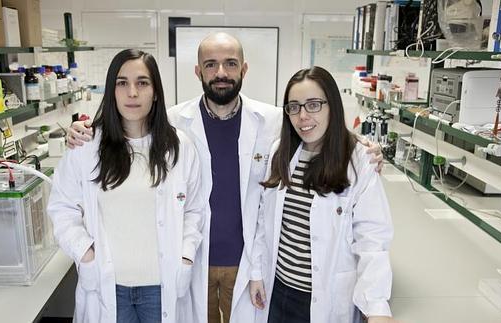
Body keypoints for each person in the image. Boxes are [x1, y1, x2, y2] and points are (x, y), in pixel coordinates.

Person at [66, 33, 384, 323]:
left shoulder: (273, 121)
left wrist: (362, 145)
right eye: (211, 64)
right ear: (198, 72)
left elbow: (314, 127)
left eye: (230, 63)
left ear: (243, 69)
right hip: (193, 263)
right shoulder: (174, 124)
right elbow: (126, 120)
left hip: (245, 264)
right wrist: (81, 131)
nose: (221, 72)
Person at [47, 49, 207, 323]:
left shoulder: (179, 147)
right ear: (112, 91)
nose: (132, 92)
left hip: (161, 288)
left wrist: (185, 258)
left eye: (142, 83)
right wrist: (85, 253)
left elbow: (194, 210)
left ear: (155, 92)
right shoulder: (87, 146)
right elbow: (62, 207)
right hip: (108, 288)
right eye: (122, 83)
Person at [249, 66, 397, 323]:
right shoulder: (280, 153)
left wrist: (376, 308)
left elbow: (372, 240)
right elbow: (265, 223)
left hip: (324, 298)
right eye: (294, 107)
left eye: (314, 105)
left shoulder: (358, 160)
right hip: (279, 291)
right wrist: (257, 272)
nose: (303, 116)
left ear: (332, 107)